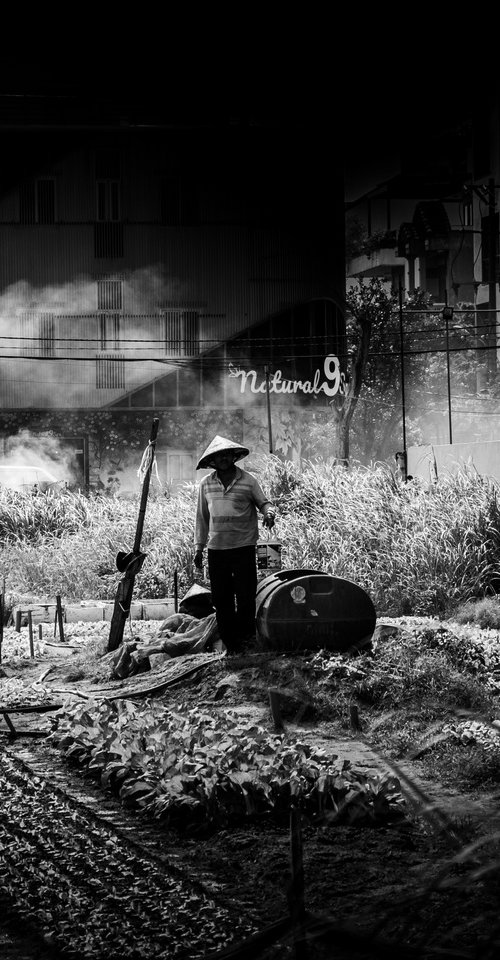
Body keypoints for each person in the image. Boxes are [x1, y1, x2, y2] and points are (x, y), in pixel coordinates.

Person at [193, 435, 276, 654]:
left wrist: (269, 513)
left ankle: (247, 641)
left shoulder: (248, 481)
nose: (223, 459)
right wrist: (198, 548)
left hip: (243, 547)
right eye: (218, 456)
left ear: (233, 457)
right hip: (217, 550)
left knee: (246, 596)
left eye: (226, 455)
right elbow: (201, 518)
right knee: (222, 599)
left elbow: (264, 503)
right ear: (212, 461)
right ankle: (231, 645)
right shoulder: (206, 484)